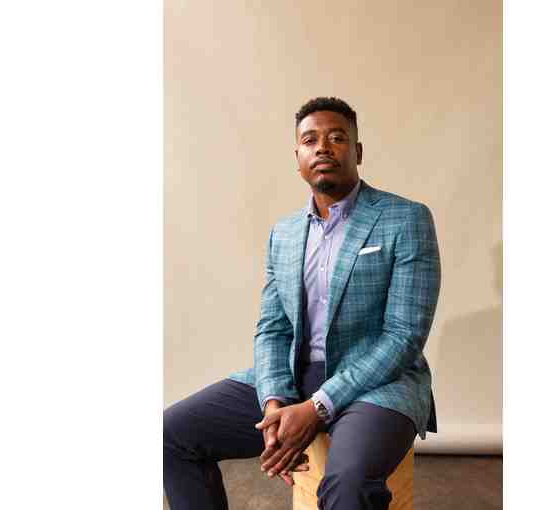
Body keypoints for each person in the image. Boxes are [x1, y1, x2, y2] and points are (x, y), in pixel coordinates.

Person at [164, 97, 441, 510]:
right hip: (296, 375)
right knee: (170, 435)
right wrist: (274, 403)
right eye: (310, 140)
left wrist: (316, 408)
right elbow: (272, 328)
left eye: (337, 138)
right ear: (298, 159)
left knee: (347, 483)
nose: (323, 147)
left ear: (358, 152)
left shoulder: (405, 219)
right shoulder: (285, 233)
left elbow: (404, 337)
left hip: (380, 382)